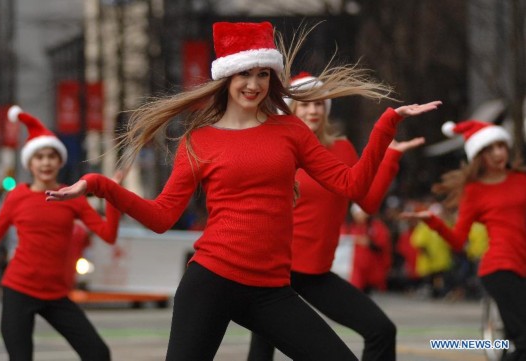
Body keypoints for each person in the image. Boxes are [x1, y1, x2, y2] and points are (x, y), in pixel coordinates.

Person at [46, 21, 441, 360]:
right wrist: (99, 186)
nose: (253, 84)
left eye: (262, 74)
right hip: (211, 281)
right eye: (244, 74)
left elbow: (351, 185)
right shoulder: (198, 141)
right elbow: (163, 216)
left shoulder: (290, 130)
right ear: (227, 77)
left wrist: (386, 125)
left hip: (270, 288)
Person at [247, 71, 426, 361]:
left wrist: (390, 157)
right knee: (263, 348)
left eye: (319, 104)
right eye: (305, 104)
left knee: (381, 330)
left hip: (316, 272)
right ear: (291, 109)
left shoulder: (341, 148)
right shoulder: (279, 148)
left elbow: (366, 202)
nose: (313, 109)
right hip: (277, 270)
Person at [0, 106, 122, 361]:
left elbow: (107, 234)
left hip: (56, 294)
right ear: (30, 163)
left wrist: (113, 196)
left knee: (98, 353)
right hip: (18, 290)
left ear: (59, 161)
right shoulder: (16, 197)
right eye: (39, 157)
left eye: (51, 156)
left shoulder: (72, 196)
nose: (45, 162)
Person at [400, 119, 526, 360]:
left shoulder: (521, 179)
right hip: (499, 268)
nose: (499, 153)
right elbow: (458, 240)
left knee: (517, 341)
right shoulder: (474, 192)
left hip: (523, 265)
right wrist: (433, 221)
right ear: (478, 156)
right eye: (490, 149)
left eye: (501, 146)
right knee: (523, 340)